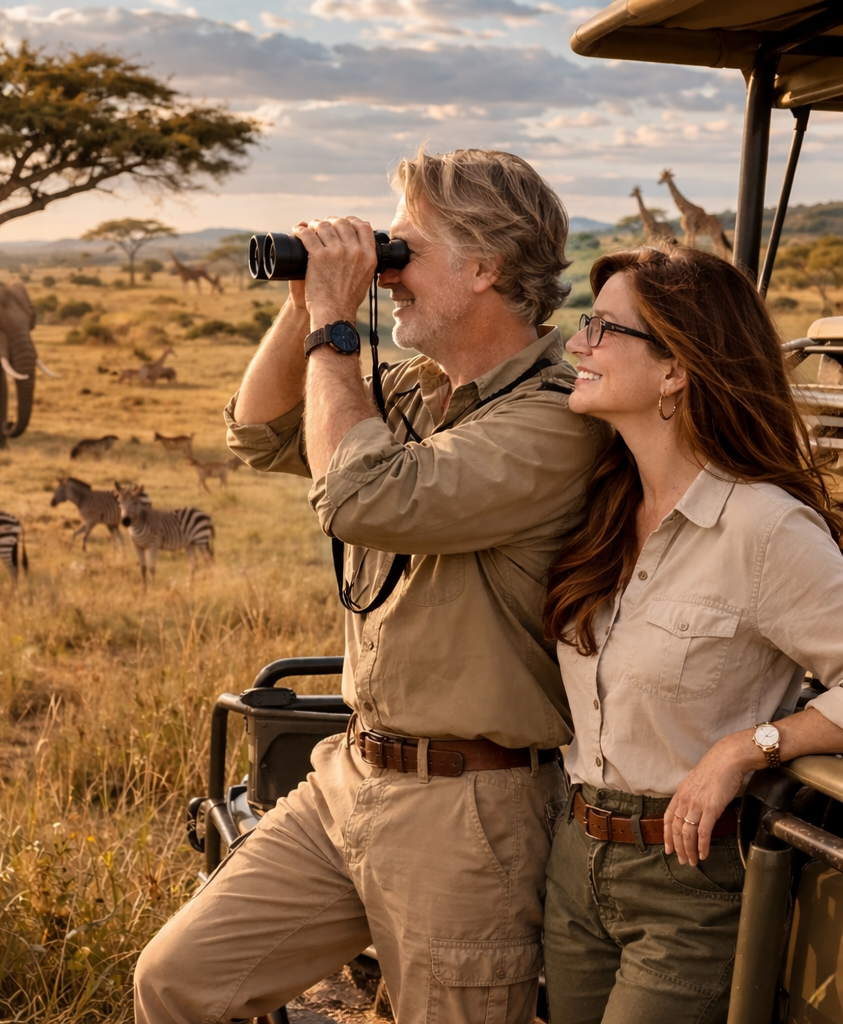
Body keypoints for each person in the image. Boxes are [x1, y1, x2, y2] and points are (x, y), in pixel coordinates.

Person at [133, 148, 602, 1024]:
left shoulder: (554, 418)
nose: (387, 267)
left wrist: (336, 329)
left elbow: (360, 496)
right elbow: (264, 436)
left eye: (404, 249)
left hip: (473, 810)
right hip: (353, 773)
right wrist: (303, 299)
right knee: (179, 981)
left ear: (486, 267)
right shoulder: (427, 393)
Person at [541, 245, 843, 1024]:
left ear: (675, 369)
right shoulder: (602, 507)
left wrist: (746, 748)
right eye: (586, 325)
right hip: (574, 861)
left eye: (604, 329)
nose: (579, 346)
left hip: (689, 876)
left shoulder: (766, 528)